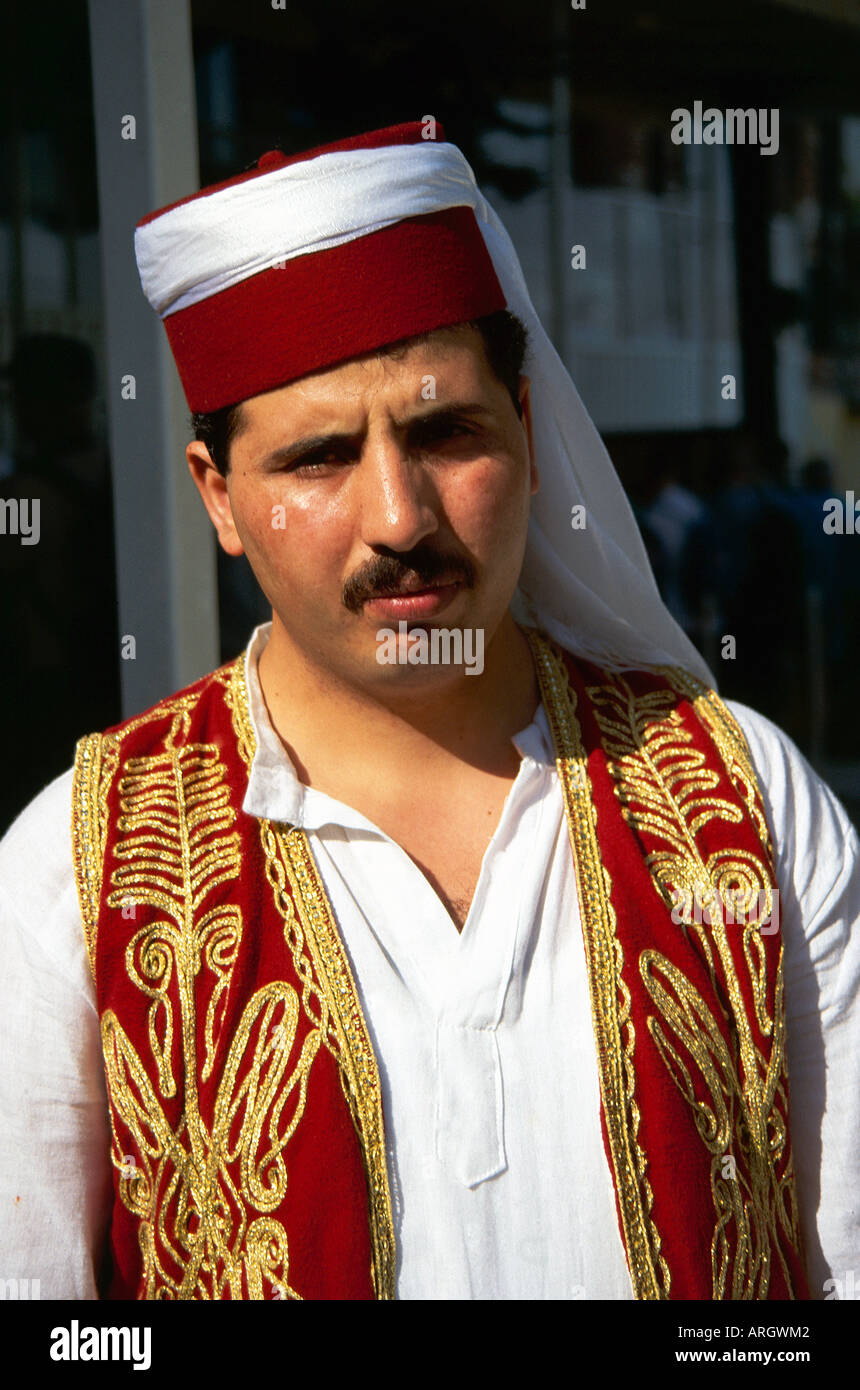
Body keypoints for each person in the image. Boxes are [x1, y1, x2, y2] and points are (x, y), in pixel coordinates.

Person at [0, 121, 857, 1302]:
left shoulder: (741, 798)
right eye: (317, 458)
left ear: (525, 428)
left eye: (443, 432)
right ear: (219, 497)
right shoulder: (76, 868)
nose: (398, 517)